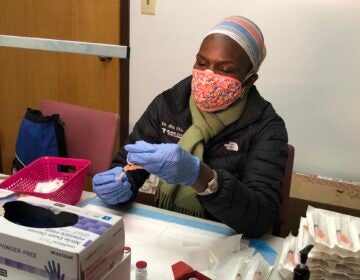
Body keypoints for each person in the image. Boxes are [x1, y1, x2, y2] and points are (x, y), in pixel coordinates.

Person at [92, 15, 288, 237]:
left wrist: (203, 178)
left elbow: (261, 217)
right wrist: (121, 182)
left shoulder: (267, 127)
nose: (208, 75)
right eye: (202, 63)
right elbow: (130, 162)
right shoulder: (168, 104)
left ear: (249, 79)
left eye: (225, 69)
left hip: (226, 240)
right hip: (168, 230)